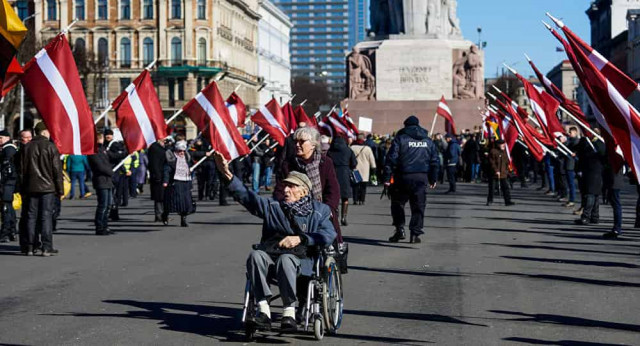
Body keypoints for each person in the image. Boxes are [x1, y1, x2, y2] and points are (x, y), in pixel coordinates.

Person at [213, 151, 336, 332]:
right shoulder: (274, 208)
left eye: (291, 187)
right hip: (272, 256)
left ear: (303, 191)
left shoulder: (320, 211)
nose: (285, 190)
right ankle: (263, 311)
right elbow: (248, 198)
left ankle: (289, 313)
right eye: (285, 186)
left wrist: (301, 238)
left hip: (303, 261)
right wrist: (227, 174)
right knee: (256, 255)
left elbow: (328, 234)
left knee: (286, 260)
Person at [274, 127, 342, 244]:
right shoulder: (288, 164)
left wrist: (327, 210)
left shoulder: (325, 163)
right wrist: (285, 206)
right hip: (294, 216)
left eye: (302, 141)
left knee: (328, 251)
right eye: (296, 141)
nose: (297, 145)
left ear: (313, 145)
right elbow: (279, 191)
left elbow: (333, 190)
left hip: (321, 214)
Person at [384, 115, 439, 244]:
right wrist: (433, 178)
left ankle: (399, 229)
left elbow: (391, 159)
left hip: (402, 177)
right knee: (418, 206)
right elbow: (434, 161)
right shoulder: (428, 141)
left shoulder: (400, 139)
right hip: (421, 177)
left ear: (406, 126)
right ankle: (415, 233)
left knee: (398, 204)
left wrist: (387, 178)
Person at [19, 122, 64, 256]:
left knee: (31, 217)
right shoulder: (51, 147)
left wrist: (23, 188)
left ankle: (30, 246)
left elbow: (22, 171)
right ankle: (46, 247)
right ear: (45, 132)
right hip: (47, 188)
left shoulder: (27, 147)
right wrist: (60, 189)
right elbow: (57, 171)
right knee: (45, 217)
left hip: (30, 187)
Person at [162, 140, 195, 227]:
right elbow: (166, 170)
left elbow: (190, 169)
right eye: (180, 151)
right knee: (172, 202)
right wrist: (165, 181)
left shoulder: (187, 158)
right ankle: (165, 215)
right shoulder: (172, 159)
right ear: (176, 150)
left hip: (185, 183)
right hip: (175, 183)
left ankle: (183, 220)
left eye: (183, 151)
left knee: (185, 203)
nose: (181, 153)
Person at [575, 132, 606, 225]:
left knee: (590, 195)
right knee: (594, 195)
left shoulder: (599, 143)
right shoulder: (587, 142)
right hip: (590, 172)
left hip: (594, 171)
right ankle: (594, 216)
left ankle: (586, 216)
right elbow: (579, 152)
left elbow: (601, 154)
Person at [88, 134, 115, 235]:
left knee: (108, 205)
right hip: (101, 181)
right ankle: (99, 227)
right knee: (103, 205)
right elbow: (99, 166)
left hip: (108, 181)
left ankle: (105, 225)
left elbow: (113, 156)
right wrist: (111, 172)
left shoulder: (103, 150)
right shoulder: (93, 151)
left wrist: (126, 152)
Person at [327, 136, 357, 226]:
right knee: (345, 197)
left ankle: (334, 216)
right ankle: (344, 217)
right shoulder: (348, 150)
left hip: (332, 173)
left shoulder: (330, 151)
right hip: (345, 174)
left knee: (333, 196)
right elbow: (354, 163)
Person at [0, 130, 17, 243]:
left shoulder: (9, 149)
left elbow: (8, 168)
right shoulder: (7, 149)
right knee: (8, 207)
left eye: (1, 137)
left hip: (7, 183)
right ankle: (11, 231)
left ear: (7, 137)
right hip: (8, 182)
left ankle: (6, 232)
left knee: (6, 207)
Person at [350, 134, 376, 205]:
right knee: (363, 187)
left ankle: (355, 200)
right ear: (364, 139)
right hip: (365, 170)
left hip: (355, 169)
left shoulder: (352, 147)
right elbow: (372, 160)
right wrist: (373, 168)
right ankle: (362, 200)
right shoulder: (367, 148)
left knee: (355, 186)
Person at [487, 140, 514, 206]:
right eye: (502, 144)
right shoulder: (493, 151)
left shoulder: (504, 152)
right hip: (494, 173)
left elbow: (506, 162)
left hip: (503, 173)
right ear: (498, 145)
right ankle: (490, 200)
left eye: (504, 144)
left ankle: (507, 201)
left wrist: (508, 170)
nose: (503, 146)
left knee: (506, 188)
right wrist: (496, 170)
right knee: (492, 188)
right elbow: (492, 163)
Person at [147, 138, 167, 222]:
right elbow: (154, 163)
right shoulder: (155, 148)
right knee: (159, 196)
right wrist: (157, 175)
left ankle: (162, 214)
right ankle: (159, 215)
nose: (165, 140)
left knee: (162, 196)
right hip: (158, 176)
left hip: (161, 175)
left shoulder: (160, 147)